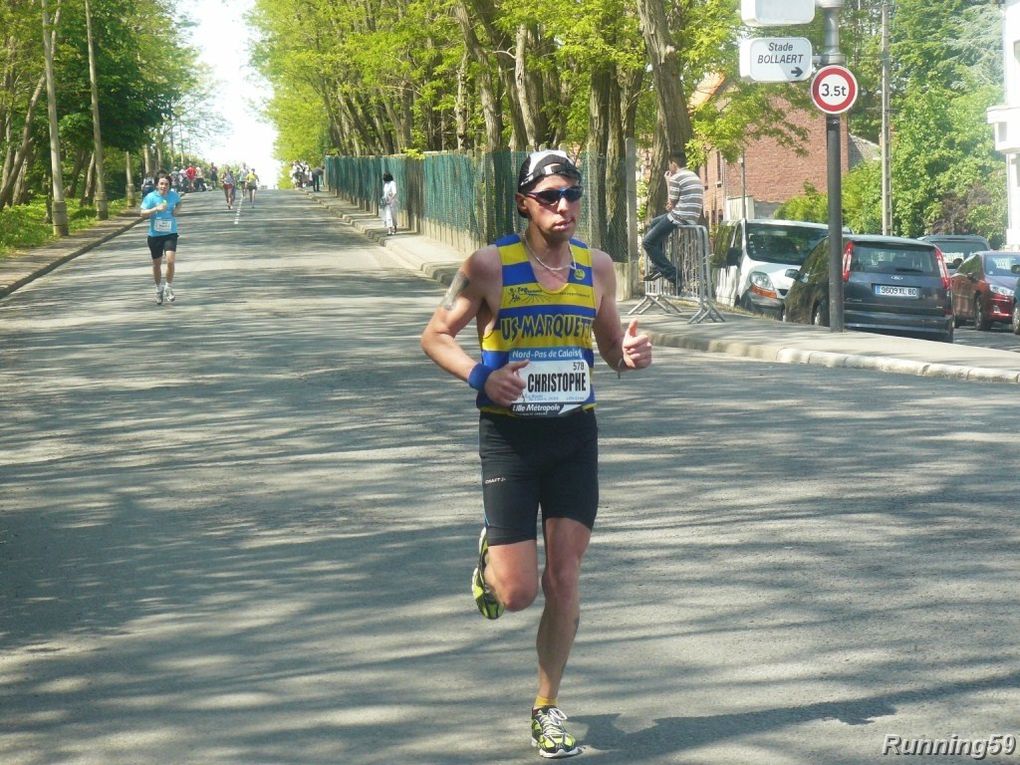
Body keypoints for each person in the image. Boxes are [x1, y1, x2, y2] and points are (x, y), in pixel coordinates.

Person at [420, 150, 652, 760]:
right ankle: (494, 561)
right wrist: (479, 376)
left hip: (575, 435)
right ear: (524, 202)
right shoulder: (488, 266)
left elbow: (611, 349)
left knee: (565, 576)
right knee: (519, 593)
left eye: (572, 195)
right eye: (549, 196)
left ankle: (547, 706)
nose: (564, 206)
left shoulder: (597, 268)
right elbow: (434, 336)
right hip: (510, 440)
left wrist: (630, 356)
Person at [640, 153, 704, 285]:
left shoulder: (676, 177)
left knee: (647, 242)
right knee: (655, 222)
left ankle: (672, 274)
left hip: (679, 216)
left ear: (673, 164)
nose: (668, 167)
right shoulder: (694, 175)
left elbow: (671, 203)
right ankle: (657, 267)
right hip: (691, 216)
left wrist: (668, 182)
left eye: (669, 164)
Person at [139, 171, 183, 305]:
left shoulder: (173, 195)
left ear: (170, 185)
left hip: (170, 233)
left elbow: (179, 203)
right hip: (155, 235)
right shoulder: (150, 197)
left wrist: (177, 210)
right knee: (156, 264)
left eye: (167, 184)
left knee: (170, 261)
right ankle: (158, 289)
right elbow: (142, 213)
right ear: (157, 185)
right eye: (162, 184)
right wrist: (155, 209)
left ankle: (168, 287)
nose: (164, 186)